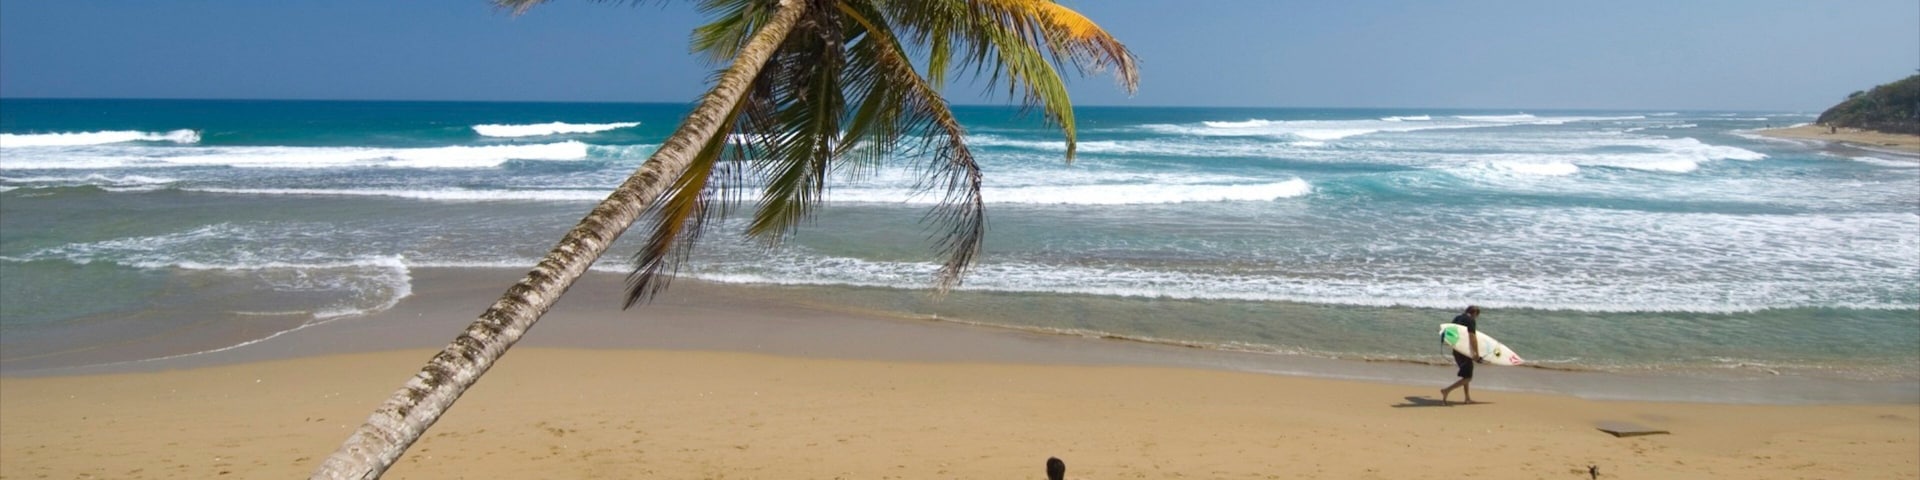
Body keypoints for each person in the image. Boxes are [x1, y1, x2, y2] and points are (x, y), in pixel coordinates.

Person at [1440, 305, 1483, 405]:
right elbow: (1472, 337)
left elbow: (1450, 332)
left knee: (1465, 375)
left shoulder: (1457, 318)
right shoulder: (1470, 320)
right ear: (1474, 313)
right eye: (1477, 316)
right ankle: (1446, 390)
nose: (1476, 318)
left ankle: (1467, 398)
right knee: (1468, 377)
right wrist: (1476, 353)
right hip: (1464, 352)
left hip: (1456, 350)